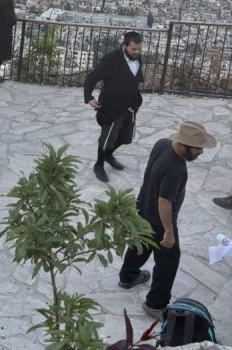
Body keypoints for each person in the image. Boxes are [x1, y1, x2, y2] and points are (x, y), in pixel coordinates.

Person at [118, 121, 217, 318]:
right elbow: (164, 202)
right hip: (159, 218)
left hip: (143, 206)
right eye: (197, 148)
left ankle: (128, 276)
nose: (201, 153)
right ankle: (156, 304)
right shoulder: (176, 168)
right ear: (183, 145)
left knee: (142, 243)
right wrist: (169, 232)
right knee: (169, 259)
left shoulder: (162, 143)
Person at [83, 30, 144, 183]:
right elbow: (92, 77)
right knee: (107, 138)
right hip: (111, 107)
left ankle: (109, 155)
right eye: (133, 49)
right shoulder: (111, 59)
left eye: (139, 49)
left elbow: (134, 78)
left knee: (126, 137)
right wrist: (88, 97)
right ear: (124, 46)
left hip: (129, 106)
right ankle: (99, 164)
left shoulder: (137, 58)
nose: (137, 52)